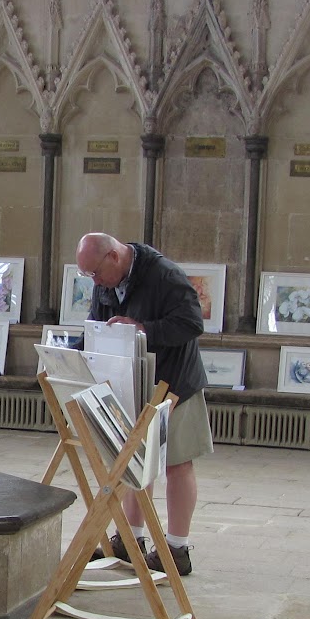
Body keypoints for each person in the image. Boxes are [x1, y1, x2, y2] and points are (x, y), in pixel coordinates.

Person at [74, 231, 212, 576]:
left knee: (177, 464)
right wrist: (70, 352)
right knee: (134, 463)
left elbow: (192, 324)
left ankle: (177, 549)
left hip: (174, 383)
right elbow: (98, 326)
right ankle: (130, 540)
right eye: (88, 275)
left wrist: (141, 328)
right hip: (132, 383)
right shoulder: (105, 279)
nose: (95, 282)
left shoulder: (164, 275)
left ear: (114, 257)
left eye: (95, 273)